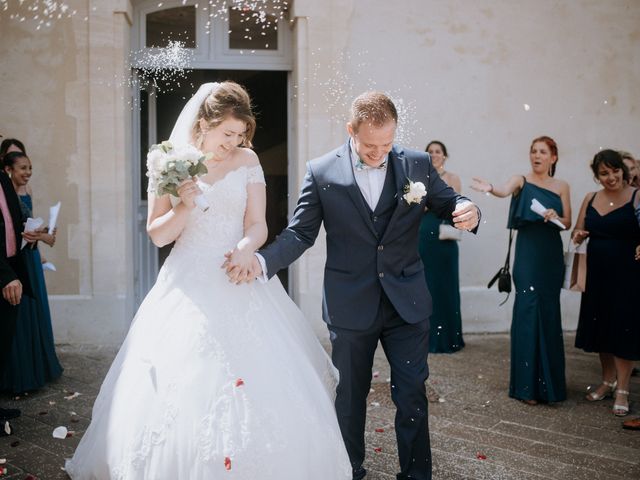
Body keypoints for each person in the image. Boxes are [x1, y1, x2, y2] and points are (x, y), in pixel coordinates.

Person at [65, 82, 352, 479]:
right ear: (204, 124)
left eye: (239, 135)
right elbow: (158, 234)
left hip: (238, 276)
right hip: (188, 279)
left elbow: (257, 224)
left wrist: (247, 248)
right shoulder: (167, 162)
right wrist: (184, 203)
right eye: (226, 135)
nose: (232, 143)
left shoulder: (247, 160)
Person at [229, 91, 481, 480]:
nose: (379, 152)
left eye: (386, 143)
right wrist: (262, 261)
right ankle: (349, 470)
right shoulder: (322, 171)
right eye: (369, 145)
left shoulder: (417, 162)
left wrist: (469, 209)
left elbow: (449, 202)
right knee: (349, 398)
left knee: (412, 393)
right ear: (351, 130)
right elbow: (300, 234)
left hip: (407, 302)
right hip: (350, 304)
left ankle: (416, 475)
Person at [471, 136, 571, 405]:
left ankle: (551, 387)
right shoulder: (521, 180)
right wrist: (490, 188)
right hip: (528, 253)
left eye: (542, 152)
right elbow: (504, 190)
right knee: (527, 309)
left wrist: (554, 216)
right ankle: (526, 387)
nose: (536, 156)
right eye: (533, 151)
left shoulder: (562, 186)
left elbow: (568, 221)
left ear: (553, 157)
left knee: (549, 312)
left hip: (550, 251)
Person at [573, 149, 640, 417]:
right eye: (604, 173)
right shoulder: (591, 198)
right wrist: (578, 235)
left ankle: (623, 389)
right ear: (596, 176)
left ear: (623, 171)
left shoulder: (636, 197)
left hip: (627, 274)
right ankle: (607, 380)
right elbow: (578, 229)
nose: (611, 177)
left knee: (622, 329)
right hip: (596, 273)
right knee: (600, 328)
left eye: (615, 171)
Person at [1, 151, 62, 393]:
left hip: (27, 254)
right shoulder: (6, 191)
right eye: (22, 168)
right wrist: (45, 236)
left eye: (30, 168)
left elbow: (24, 224)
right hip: (14, 262)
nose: (27, 173)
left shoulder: (20, 189)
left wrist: (44, 232)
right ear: (9, 169)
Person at [419, 140, 464, 353]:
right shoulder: (419, 178)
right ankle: (426, 339)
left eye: (438, 151)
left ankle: (448, 338)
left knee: (446, 286)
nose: (434, 154)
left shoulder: (453, 179)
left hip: (444, 237)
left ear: (444, 156)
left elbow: (458, 207)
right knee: (426, 285)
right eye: (430, 152)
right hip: (424, 236)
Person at [0, 167, 30, 434]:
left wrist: (28, 235)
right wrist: (5, 275)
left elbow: (11, 223)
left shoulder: (2, 178)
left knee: (2, 345)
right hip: (2, 275)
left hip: (11, 269)